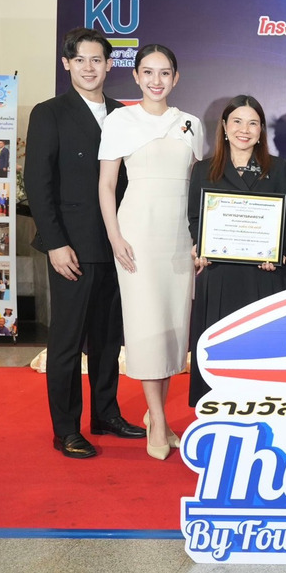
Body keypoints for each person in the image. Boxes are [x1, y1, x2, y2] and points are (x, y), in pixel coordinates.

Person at [26, 27, 144, 459]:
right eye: (80, 60)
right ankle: (66, 429)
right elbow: (37, 183)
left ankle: (106, 414)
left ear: (110, 65)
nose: (89, 68)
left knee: (108, 339)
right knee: (67, 342)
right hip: (71, 247)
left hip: (116, 244)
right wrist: (55, 243)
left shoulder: (123, 114)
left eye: (97, 60)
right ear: (67, 64)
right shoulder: (49, 113)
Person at [98, 44, 203, 460]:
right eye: (148, 72)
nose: (156, 81)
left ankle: (156, 414)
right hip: (136, 233)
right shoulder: (120, 120)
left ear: (175, 78)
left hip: (179, 234)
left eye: (164, 73)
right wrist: (115, 236)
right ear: (136, 76)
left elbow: (197, 185)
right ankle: (157, 419)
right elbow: (107, 184)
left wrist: (199, 237)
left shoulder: (191, 123)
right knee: (145, 324)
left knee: (173, 326)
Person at [187, 95, 286, 405]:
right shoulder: (204, 169)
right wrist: (199, 245)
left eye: (252, 123)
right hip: (219, 274)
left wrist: (280, 251)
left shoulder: (278, 168)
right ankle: (214, 411)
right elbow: (195, 218)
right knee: (218, 348)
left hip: (263, 274)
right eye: (237, 121)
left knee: (261, 351)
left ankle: (262, 412)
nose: (244, 130)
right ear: (224, 126)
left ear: (261, 131)